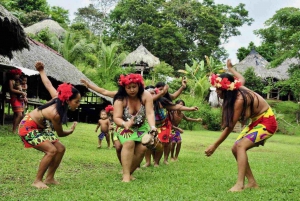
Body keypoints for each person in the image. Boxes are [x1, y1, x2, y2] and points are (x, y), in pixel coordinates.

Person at [204, 59, 278, 192]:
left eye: (219, 89)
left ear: (227, 89)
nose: (217, 91)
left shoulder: (239, 99)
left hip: (267, 121)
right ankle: (252, 182)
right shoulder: (237, 88)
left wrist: (214, 145)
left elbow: (230, 127)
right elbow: (241, 78)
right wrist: (230, 69)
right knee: (235, 148)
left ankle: (239, 184)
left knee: (240, 146)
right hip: (256, 122)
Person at [18, 61, 81, 189]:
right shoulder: (56, 114)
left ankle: (50, 178)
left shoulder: (58, 98)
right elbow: (60, 133)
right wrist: (71, 130)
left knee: (60, 148)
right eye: (77, 101)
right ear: (68, 100)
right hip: (27, 127)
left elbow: (48, 84)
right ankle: (37, 181)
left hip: (40, 128)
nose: (78, 104)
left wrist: (42, 71)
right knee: (51, 150)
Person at [113, 74, 156, 182]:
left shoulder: (146, 95)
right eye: (128, 87)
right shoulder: (120, 99)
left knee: (142, 148)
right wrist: (125, 124)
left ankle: (129, 172)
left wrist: (153, 127)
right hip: (124, 126)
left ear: (139, 85)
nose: (132, 90)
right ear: (124, 88)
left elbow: (150, 113)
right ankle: (126, 176)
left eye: (134, 87)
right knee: (129, 143)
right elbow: (116, 118)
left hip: (141, 126)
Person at [143, 86, 199, 167]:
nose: (151, 96)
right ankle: (148, 162)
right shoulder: (142, 102)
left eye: (153, 93)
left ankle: (156, 162)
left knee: (161, 143)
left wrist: (190, 108)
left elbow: (177, 106)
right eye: (149, 94)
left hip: (163, 125)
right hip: (149, 125)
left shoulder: (162, 102)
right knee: (148, 143)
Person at [8, 69, 26, 133]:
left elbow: (22, 90)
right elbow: (11, 89)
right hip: (14, 99)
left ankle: (14, 129)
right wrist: (20, 92)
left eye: (18, 74)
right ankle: (14, 130)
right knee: (19, 115)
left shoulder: (18, 81)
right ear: (13, 75)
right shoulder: (11, 81)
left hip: (20, 99)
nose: (18, 75)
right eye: (16, 74)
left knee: (16, 115)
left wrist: (24, 96)